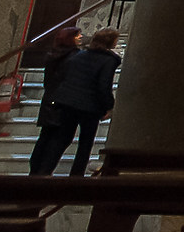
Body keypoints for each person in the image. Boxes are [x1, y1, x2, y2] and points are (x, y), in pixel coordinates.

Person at [30, 28, 119, 177]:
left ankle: (44, 172)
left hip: (67, 102)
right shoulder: (108, 60)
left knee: (61, 139)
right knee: (85, 143)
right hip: (89, 106)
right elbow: (104, 86)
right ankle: (76, 176)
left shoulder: (78, 56)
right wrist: (108, 106)